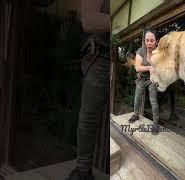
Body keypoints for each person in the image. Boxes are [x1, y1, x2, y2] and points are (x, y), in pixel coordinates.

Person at [66, 0, 110, 179]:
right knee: (89, 119)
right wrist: (129, 20)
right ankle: (83, 172)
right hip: (103, 56)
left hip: (127, 56)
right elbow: (89, 20)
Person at [128, 30, 160, 135]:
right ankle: (136, 115)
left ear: (156, 41)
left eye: (152, 40)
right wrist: (149, 67)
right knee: (137, 98)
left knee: (153, 101)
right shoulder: (141, 51)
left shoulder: (159, 53)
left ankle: (155, 124)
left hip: (152, 79)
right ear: (144, 41)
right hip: (141, 79)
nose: (149, 43)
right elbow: (137, 67)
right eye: (147, 40)